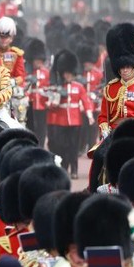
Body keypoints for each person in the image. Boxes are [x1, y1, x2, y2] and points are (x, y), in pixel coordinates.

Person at [97, 23, 134, 139]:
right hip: (115, 132)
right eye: (122, 67)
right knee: (98, 156)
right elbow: (103, 117)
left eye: (128, 67)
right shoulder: (110, 88)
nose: (124, 70)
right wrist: (104, 128)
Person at [46, 49, 94, 178]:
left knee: (73, 147)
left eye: (69, 73)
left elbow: (86, 101)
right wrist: (54, 102)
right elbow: (51, 105)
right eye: (65, 73)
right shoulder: (58, 88)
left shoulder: (79, 87)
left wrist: (89, 115)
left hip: (75, 121)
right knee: (61, 146)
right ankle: (64, 168)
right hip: (60, 121)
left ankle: (74, 170)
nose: (67, 75)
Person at [0, 17, 27, 88]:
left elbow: (21, 76)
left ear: (11, 38)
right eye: (1, 37)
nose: (3, 40)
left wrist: (12, 82)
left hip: (10, 91)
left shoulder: (17, 54)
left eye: (6, 37)